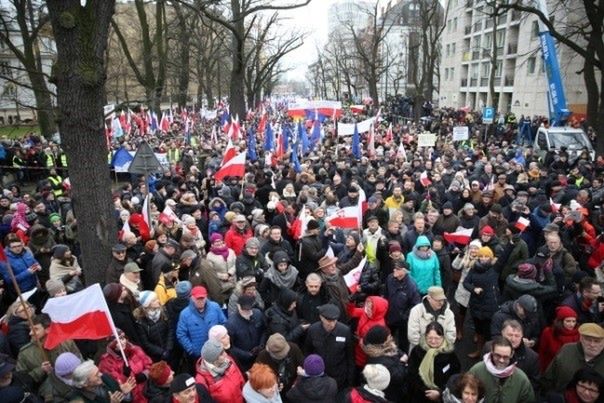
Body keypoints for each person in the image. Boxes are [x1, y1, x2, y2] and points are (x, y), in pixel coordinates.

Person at [16, 313, 82, 389]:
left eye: (35, 329)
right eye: (30, 329)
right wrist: (40, 370)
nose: (30, 333)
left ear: (48, 329)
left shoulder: (66, 341)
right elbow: (21, 380)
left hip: (75, 385)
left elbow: (79, 361)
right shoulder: (25, 353)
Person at [467, 336, 534, 403]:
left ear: (511, 354)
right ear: (492, 352)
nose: (501, 360)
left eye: (505, 357)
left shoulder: (521, 379)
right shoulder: (476, 371)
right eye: (497, 355)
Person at [542, 323, 604, 393]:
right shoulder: (567, 349)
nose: (592, 345)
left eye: (597, 341)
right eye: (588, 340)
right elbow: (549, 377)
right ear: (581, 339)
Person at [304, 303, 355, 390]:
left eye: (334, 320)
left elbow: (350, 357)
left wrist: (350, 382)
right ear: (321, 317)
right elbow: (307, 352)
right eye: (328, 321)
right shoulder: (313, 330)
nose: (332, 324)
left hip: (338, 377)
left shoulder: (345, 331)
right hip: (318, 377)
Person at [407, 322, 461, 402]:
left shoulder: (449, 353)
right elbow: (412, 374)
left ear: (443, 337)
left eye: (437, 338)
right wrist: (426, 391)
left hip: (442, 396)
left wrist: (440, 392)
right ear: (425, 337)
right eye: (429, 338)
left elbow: (455, 375)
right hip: (419, 395)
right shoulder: (417, 351)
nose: (433, 341)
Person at [463, 246, 500, 358]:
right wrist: (473, 289)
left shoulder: (495, 268)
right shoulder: (474, 268)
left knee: (489, 332)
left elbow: (506, 256)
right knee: (478, 331)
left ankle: (489, 355)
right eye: (481, 256)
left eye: (486, 256)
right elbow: (466, 283)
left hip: (490, 305)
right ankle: (479, 351)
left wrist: (512, 243)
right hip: (476, 304)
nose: (483, 258)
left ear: (491, 257)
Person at [97, 329, 152, 403]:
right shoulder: (106, 363)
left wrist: (145, 374)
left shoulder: (135, 349)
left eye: (123, 338)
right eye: (117, 341)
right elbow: (115, 387)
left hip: (149, 393)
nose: (122, 342)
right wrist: (125, 376)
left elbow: (149, 365)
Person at [176, 285, 226, 364]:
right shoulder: (185, 314)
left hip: (217, 352)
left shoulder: (215, 307)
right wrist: (191, 349)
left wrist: (221, 342)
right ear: (192, 298)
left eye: (202, 298)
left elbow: (223, 324)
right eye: (197, 299)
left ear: (206, 297)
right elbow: (181, 334)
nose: (200, 301)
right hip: (198, 355)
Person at [384, 260, 421, 352]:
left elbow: (415, 304)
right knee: (387, 337)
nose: (394, 270)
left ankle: (402, 359)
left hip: (403, 320)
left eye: (398, 269)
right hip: (390, 315)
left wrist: (404, 316)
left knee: (403, 342)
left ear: (405, 271)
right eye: (394, 268)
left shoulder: (412, 286)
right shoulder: (389, 278)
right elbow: (386, 294)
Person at [225, 294, 266, 372]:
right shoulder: (231, 324)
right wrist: (247, 355)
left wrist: (261, 345)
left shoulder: (258, 314)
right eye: (245, 310)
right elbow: (230, 347)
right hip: (244, 362)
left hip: (259, 357)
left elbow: (264, 331)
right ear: (238, 306)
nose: (248, 312)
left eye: (249, 309)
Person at [408, 286, 456, 352]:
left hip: (441, 352)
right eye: (438, 300)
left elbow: (451, 334)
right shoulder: (416, 311)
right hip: (419, 351)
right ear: (429, 298)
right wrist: (428, 351)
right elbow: (412, 335)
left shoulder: (449, 313)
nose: (441, 302)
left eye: (442, 299)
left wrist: (440, 350)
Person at [68, 360, 134, 403]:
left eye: (99, 371)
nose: (101, 374)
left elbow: (124, 400)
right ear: (85, 383)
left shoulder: (105, 378)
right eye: (96, 375)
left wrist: (125, 394)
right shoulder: (77, 400)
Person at [538, 305, 580, 372]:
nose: (572, 324)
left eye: (573, 321)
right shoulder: (548, 333)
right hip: (551, 369)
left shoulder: (579, 334)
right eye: (568, 321)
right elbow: (543, 353)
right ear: (561, 321)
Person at [134, 291, 173, 363]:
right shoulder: (141, 321)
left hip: (168, 351)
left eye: (157, 298)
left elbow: (170, 330)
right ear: (147, 304)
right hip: (155, 356)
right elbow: (145, 343)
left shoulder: (164, 312)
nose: (158, 301)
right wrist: (161, 352)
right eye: (154, 300)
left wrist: (168, 348)